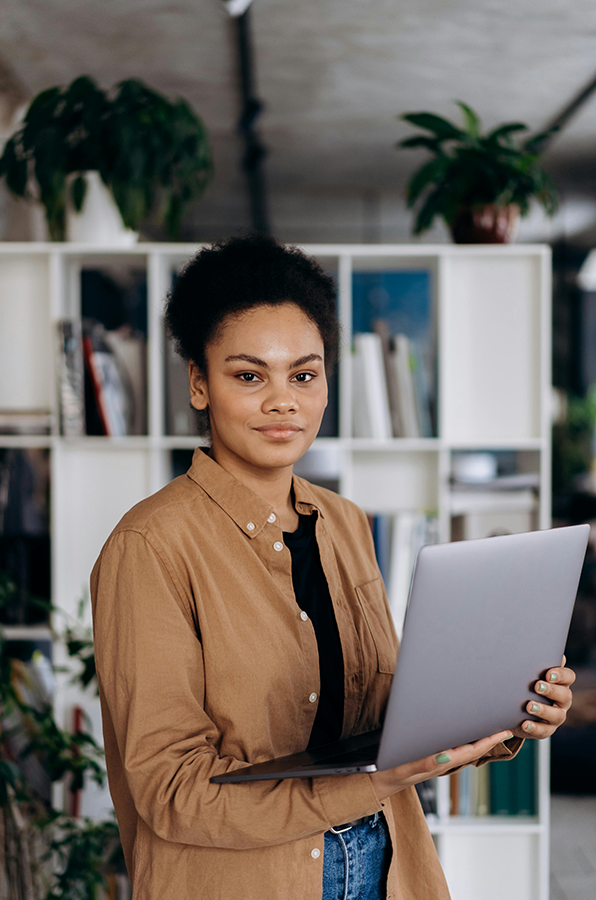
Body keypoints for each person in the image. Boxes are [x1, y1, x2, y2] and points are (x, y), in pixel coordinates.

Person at [90, 234, 575, 900]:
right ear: (200, 383)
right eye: (249, 375)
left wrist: (506, 709)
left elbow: (385, 712)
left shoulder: (343, 522)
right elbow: (171, 793)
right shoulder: (150, 546)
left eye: (305, 374)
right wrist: (363, 785)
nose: (283, 401)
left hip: (383, 861)